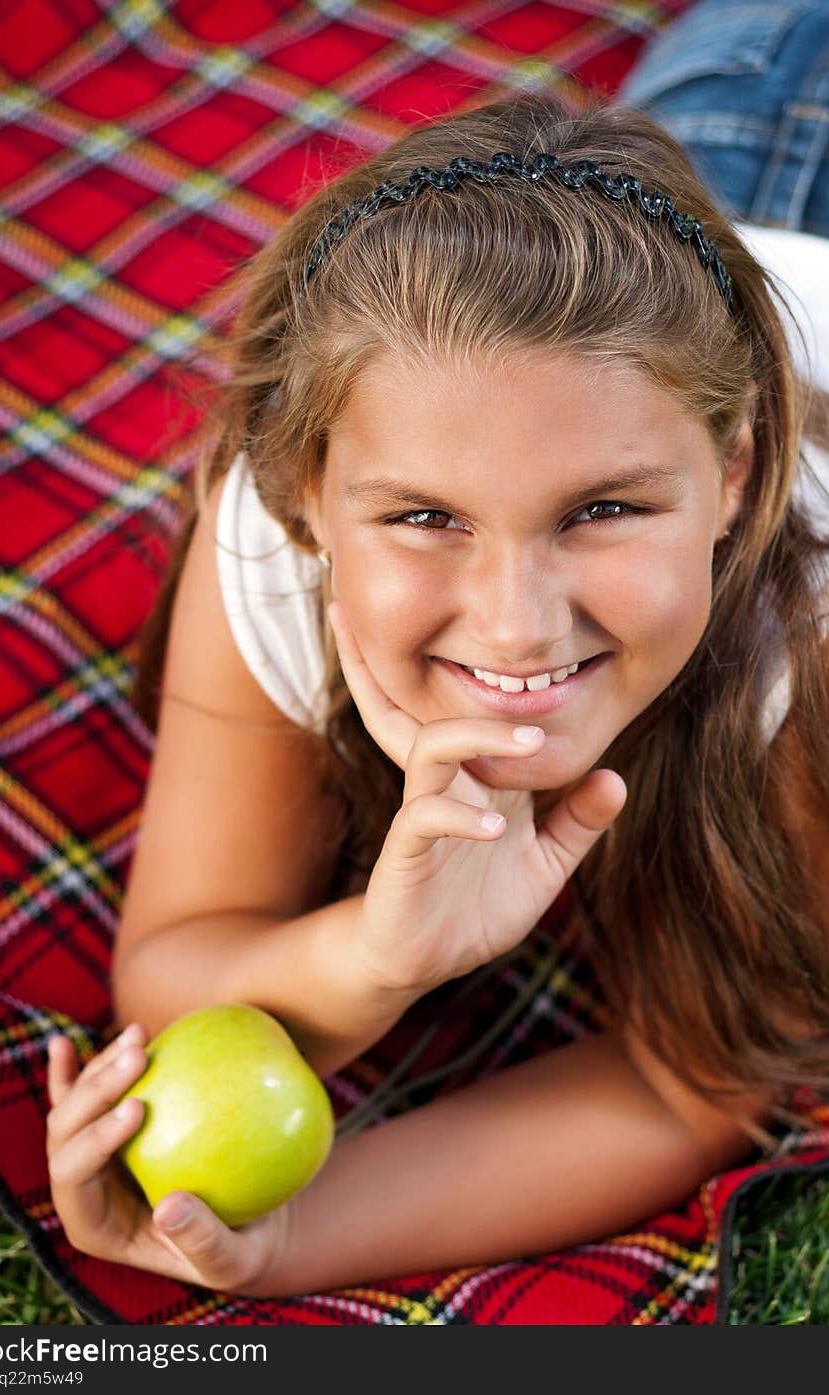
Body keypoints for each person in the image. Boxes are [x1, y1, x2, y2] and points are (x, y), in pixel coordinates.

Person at [42, 64, 829, 1298]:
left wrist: (310, 1233)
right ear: (305, 494)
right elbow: (175, 963)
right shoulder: (275, 532)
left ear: (733, 477)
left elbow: (699, 1078)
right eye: (423, 516)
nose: (517, 626)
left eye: (606, 510)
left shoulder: (806, 630)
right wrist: (376, 956)